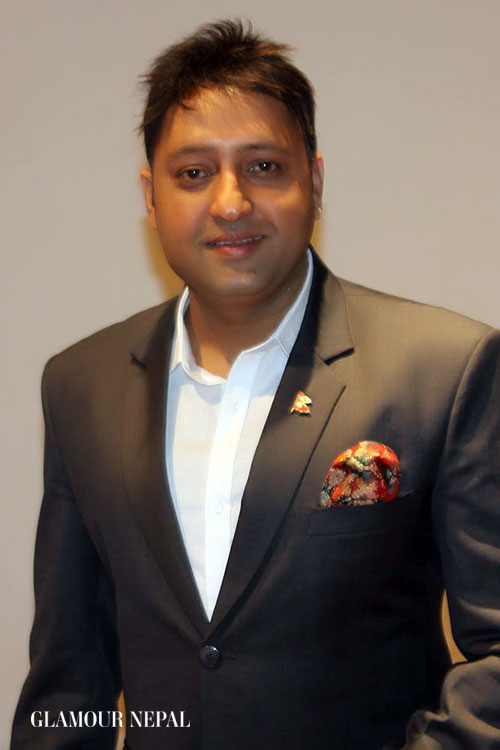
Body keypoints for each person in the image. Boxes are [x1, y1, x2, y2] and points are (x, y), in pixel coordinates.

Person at [10, 18, 500, 750]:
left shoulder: (443, 368)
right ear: (151, 196)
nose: (231, 202)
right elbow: (68, 682)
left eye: (264, 166)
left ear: (315, 181)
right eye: (193, 173)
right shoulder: (81, 385)